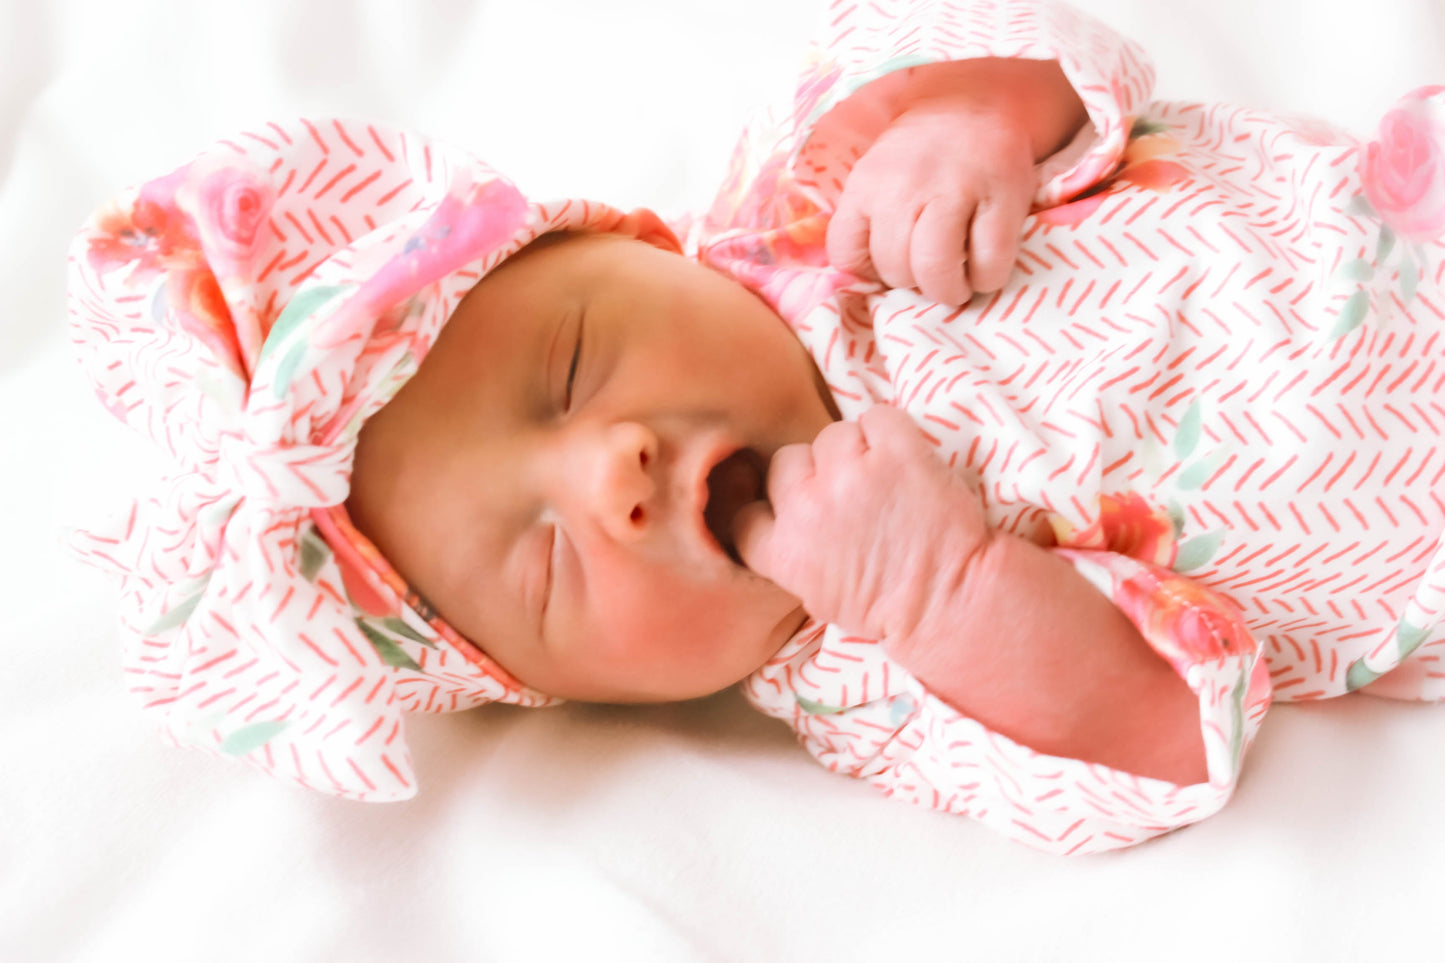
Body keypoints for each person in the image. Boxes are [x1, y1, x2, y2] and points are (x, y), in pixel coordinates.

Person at [65, 0, 1445, 854]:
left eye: (571, 361)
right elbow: (1156, 740)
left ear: (637, 238)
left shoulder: (813, 191)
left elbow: (1058, 61)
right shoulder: (868, 681)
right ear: (564, 690)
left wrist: (972, 118)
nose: (609, 468)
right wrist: (944, 590)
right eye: (544, 565)